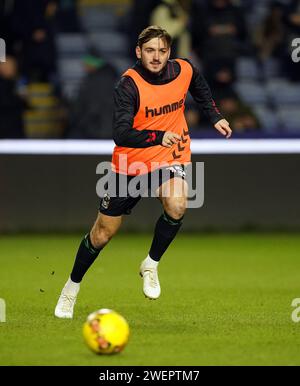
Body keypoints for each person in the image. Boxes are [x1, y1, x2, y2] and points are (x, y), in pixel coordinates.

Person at [54, 26, 232, 319]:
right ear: (139, 52)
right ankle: (70, 289)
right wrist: (157, 136)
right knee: (102, 234)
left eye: (162, 51)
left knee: (177, 204)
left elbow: (199, 85)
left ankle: (151, 263)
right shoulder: (128, 84)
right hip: (131, 164)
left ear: (169, 52)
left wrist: (215, 116)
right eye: (150, 50)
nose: (156, 56)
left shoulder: (183, 70)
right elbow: (121, 134)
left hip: (169, 156)